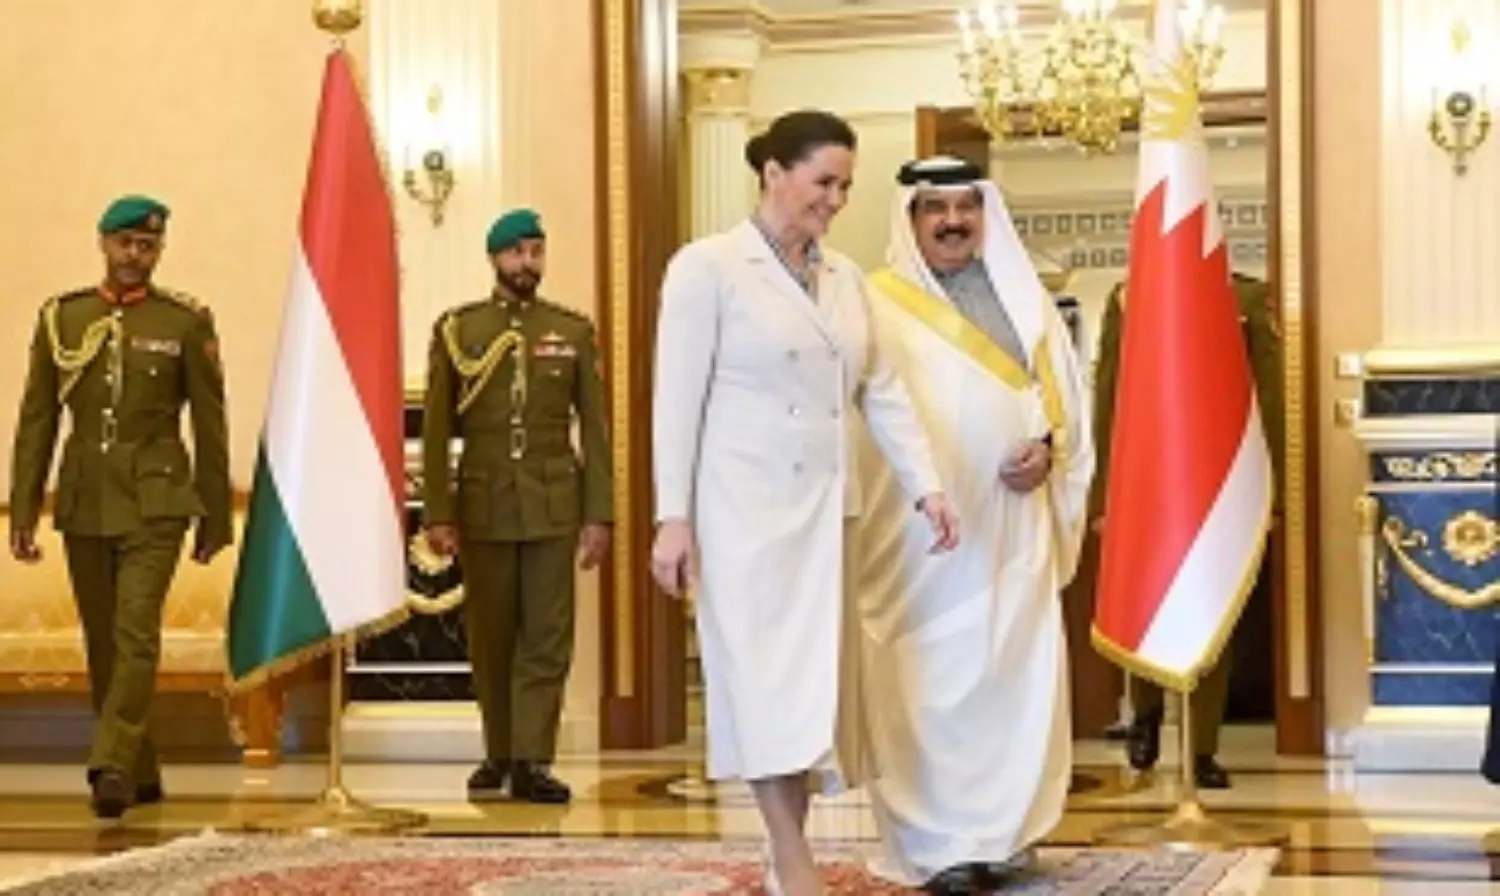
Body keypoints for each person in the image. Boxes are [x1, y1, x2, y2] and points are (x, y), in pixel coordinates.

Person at [650, 111, 960, 896]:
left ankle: (786, 851)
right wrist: (671, 515)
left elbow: (881, 390)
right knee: (762, 685)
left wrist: (926, 487)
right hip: (742, 516)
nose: (836, 200)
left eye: (846, 186)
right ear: (773, 173)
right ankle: (792, 857)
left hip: (829, 515)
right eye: (824, 181)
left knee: (811, 692)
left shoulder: (847, 279)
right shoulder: (708, 267)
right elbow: (674, 401)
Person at [852, 157, 1095, 893]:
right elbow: (859, 413)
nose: (953, 221)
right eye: (936, 208)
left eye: (967, 206)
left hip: (1015, 527)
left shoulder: (1027, 300)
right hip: (920, 539)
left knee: (1013, 674)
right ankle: (939, 845)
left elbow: (1065, 402)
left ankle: (1007, 833)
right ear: (910, 219)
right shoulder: (875, 302)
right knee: (930, 676)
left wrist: (1048, 451)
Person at [8, 195, 233, 819]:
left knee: (135, 631)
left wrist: (215, 513)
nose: (135, 255)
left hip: (157, 502)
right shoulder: (62, 318)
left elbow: (210, 423)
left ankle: (109, 763)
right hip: (85, 497)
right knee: (104, 641)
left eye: (147, 245)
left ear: (159, 251)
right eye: (125, 243)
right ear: (103, 242)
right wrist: (24, 507)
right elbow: (37, 420)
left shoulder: (185, 322)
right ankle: (141, 769)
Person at [421, 208, 612, 805]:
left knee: (547, 636)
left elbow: (595, 429)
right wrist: (438, 511)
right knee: (491, 634)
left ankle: (532, 759)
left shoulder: (572, 331)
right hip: (484, 501)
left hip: (554, 501)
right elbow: (435, 429)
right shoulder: (459, 330)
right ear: (495, 258)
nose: (527, 263)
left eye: (536, 251)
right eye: (516, 253)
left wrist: (599, 514)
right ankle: (499, 751)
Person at [1092, 270, 1282, 789]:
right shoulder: (1130, 296)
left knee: (1213, 613)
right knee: (1147, 604)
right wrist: (1104, 496)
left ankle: (1202, 747)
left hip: (1219, 481)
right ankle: (1146, 714)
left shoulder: (1245, 297)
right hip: (1147, 481)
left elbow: (1268, 398)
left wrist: (1271, 491)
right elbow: (1109, 397)